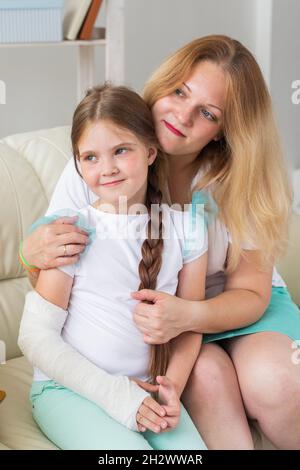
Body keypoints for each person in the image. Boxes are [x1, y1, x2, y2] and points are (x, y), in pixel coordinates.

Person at [20, 35, 300, 450]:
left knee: (277, 382)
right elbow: (57, 263)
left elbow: (251, 293)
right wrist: (29, 251)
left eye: (206, 112)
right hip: (166, 325)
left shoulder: (240, 180)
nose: (183, 116)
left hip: (235, 307)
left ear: (226, 130)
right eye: (179, 92)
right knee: (205, 377)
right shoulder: (104, 161)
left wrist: (187, 314)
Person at [18, 85, 208, 450]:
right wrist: (116, 395)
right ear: (77, 164)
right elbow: (35, 337)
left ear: (150, 151)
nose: (107, 168)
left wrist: (172, 389)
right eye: (90, 157)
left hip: (146, 392)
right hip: (69, 391)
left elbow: (190, 324)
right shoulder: (72, 231)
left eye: (121, 150)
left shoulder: (188, 229)